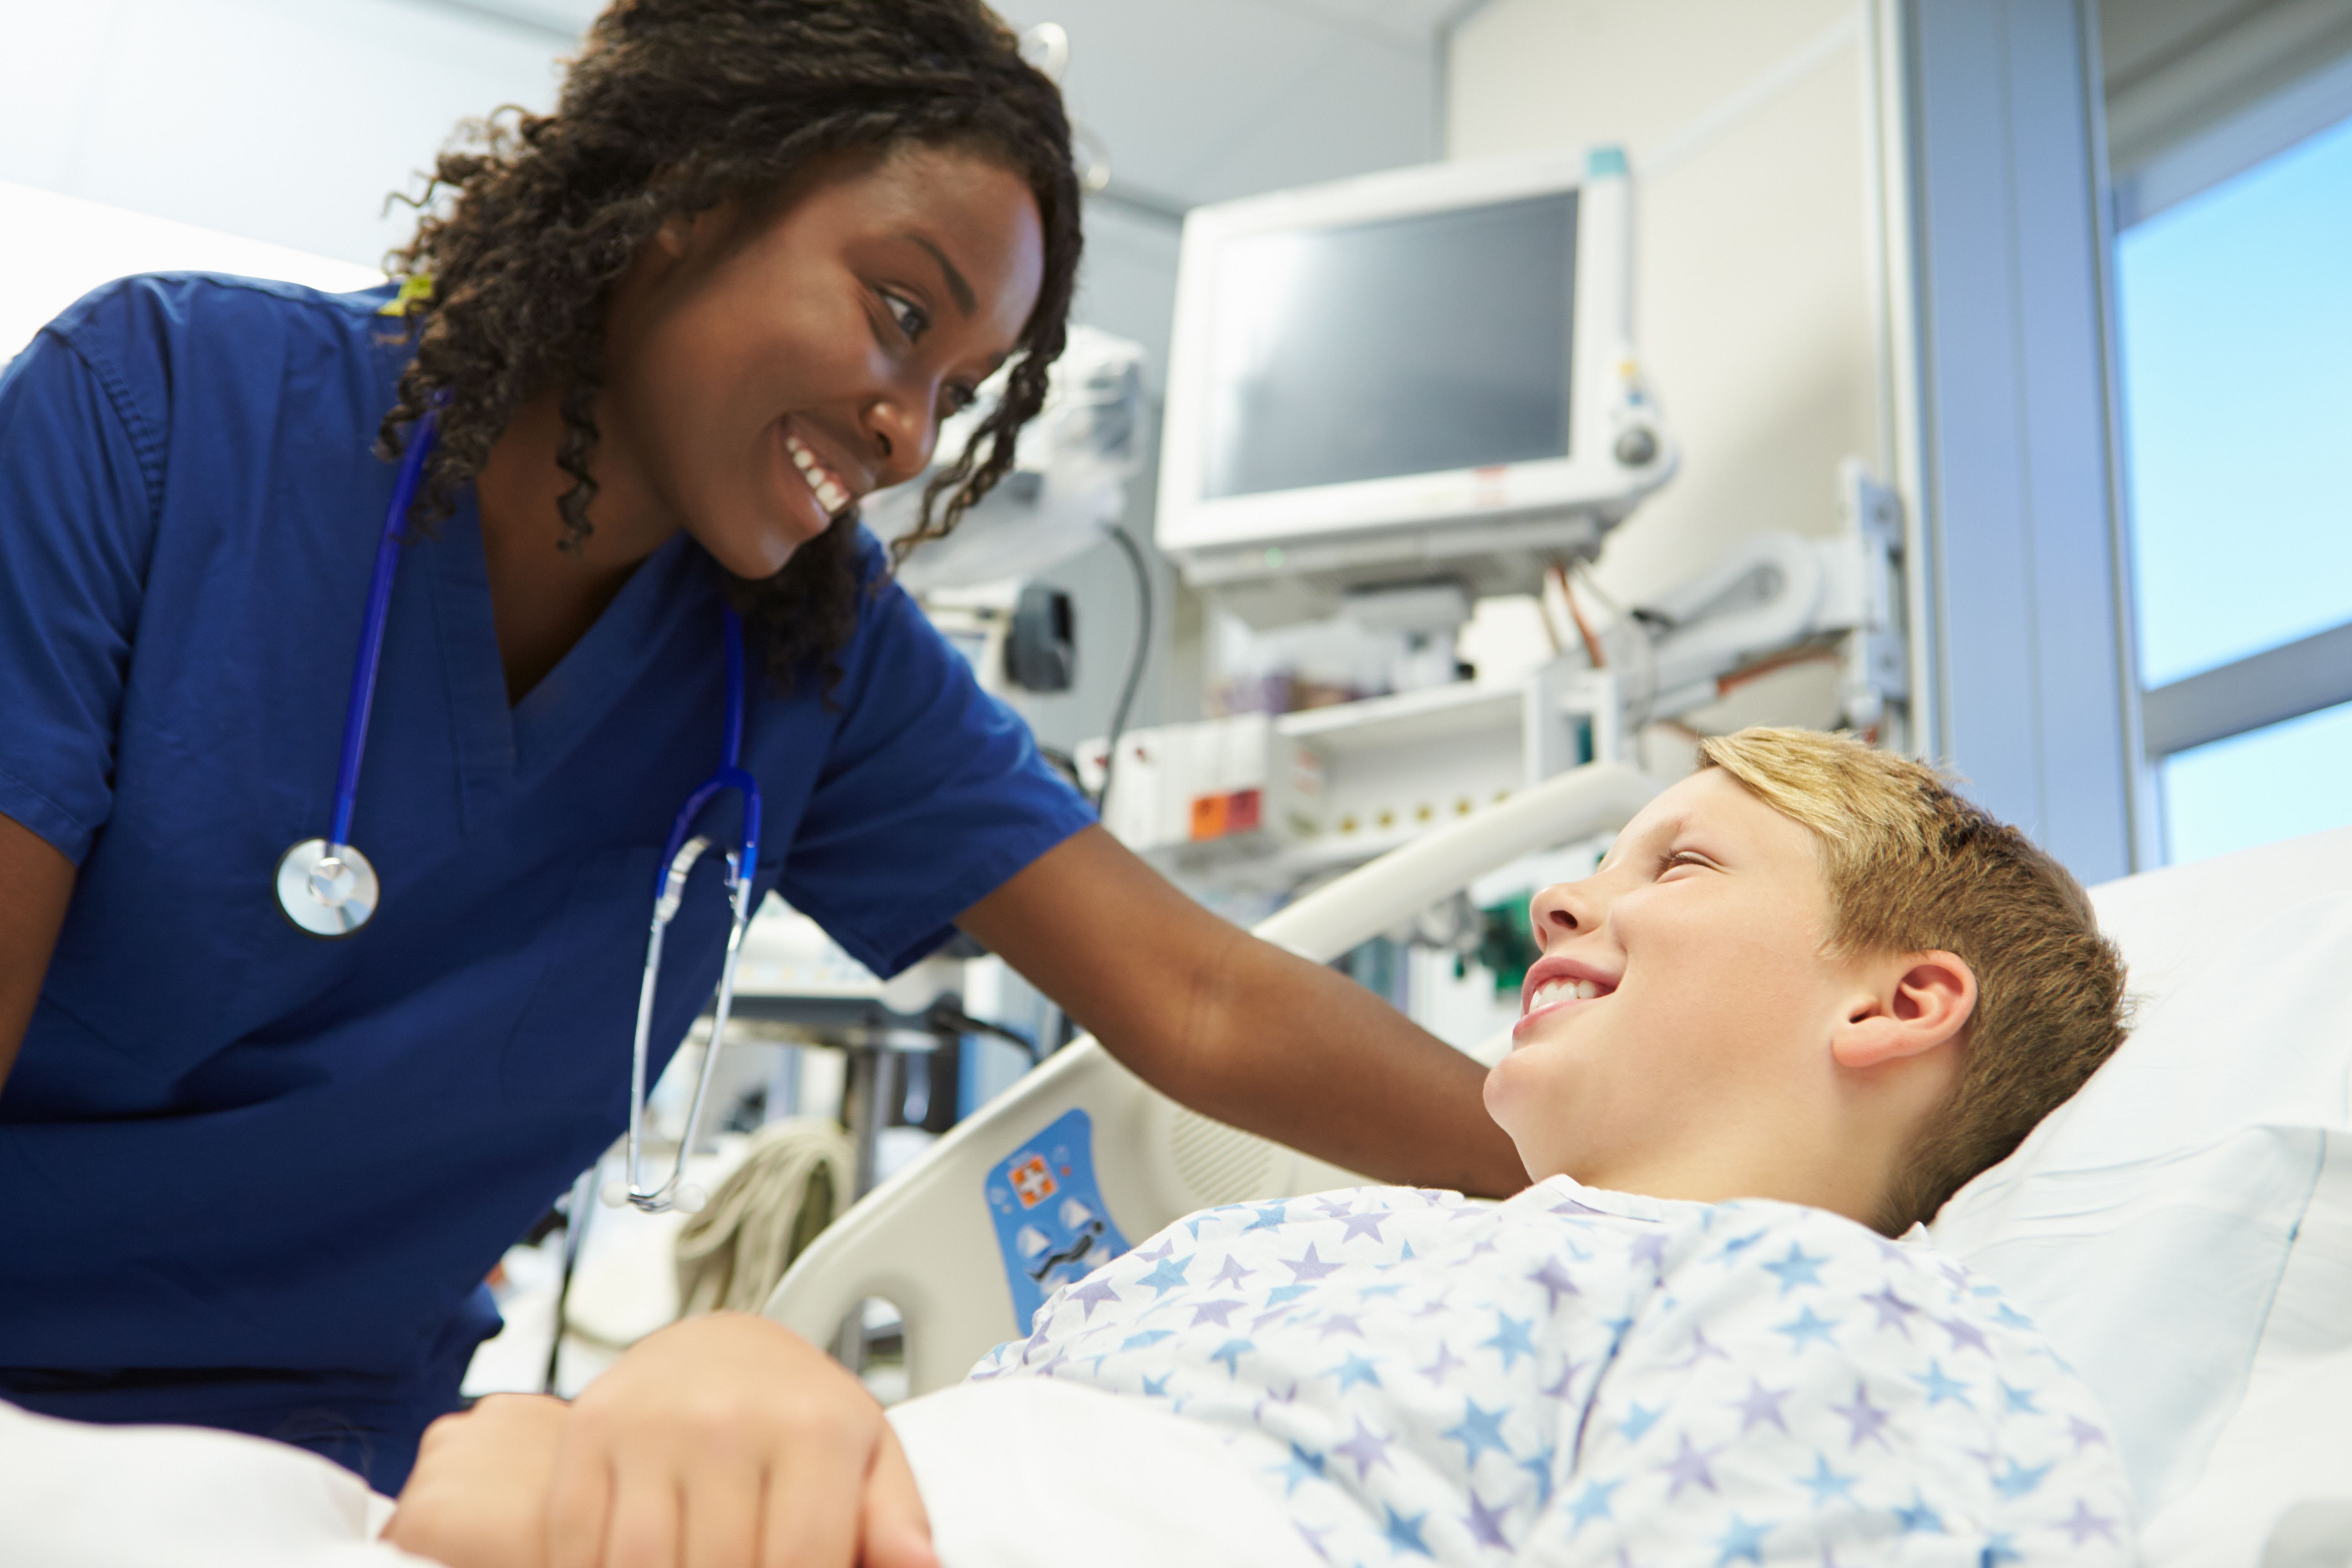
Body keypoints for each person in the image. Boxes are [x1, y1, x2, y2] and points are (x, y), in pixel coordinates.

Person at [0, 0, 1524, 1493]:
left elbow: (1199, 997)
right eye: (902, 314)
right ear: (686, 195)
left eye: (957, 392)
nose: (915, 436)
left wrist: (1658, 1186)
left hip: (346, 1466)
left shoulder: (807, 650)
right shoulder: (159, 415)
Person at [381, 727, 2139, 1568]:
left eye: (1679, 866)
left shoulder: (1839, 1321)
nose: (1560, 895)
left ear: (1902, 1005)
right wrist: (716, 1388)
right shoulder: (1300, 1250)